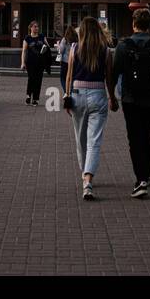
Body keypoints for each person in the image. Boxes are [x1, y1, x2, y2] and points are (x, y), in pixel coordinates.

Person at [113, 8, 150, 198]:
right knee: (148, 136)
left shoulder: (123, 46)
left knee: (134, 138)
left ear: (133, 24)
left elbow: (114, 73)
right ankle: (145, 173)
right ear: (149, 24)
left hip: (130, 99)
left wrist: (112, 96)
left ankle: (141, 179)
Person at [65, 18, 117, 199]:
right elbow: (109, 78)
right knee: (94, 140)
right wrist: (112, 98)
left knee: (80, 139)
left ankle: (84, 173)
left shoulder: (74, 49)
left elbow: (69, 75)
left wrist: (67, 95)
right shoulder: (106, 51)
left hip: (77, 94)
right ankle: (88, 179)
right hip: (98, 95)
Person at [21, 21, 47, 105]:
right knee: (31, 78)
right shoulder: (27, 38)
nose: (37, 28)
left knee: (38, 80)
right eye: (35, 27)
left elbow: (47, 47)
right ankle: (28, 96)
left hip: (40, 62)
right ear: (31, 28)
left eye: (37, 26)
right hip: (30, 62)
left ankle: (35, 99)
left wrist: (46, 48)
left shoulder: (42, 37)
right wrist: (23, 63)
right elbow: (24, 51)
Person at [56, 24, 76, 89]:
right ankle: (71, 91)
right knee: (72, 77)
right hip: (74, 61)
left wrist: (58, 45)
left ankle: (65, 91)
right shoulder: (76, 39)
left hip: (65, 61)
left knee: (63, 77)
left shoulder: (65, 39)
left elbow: (61, 50)